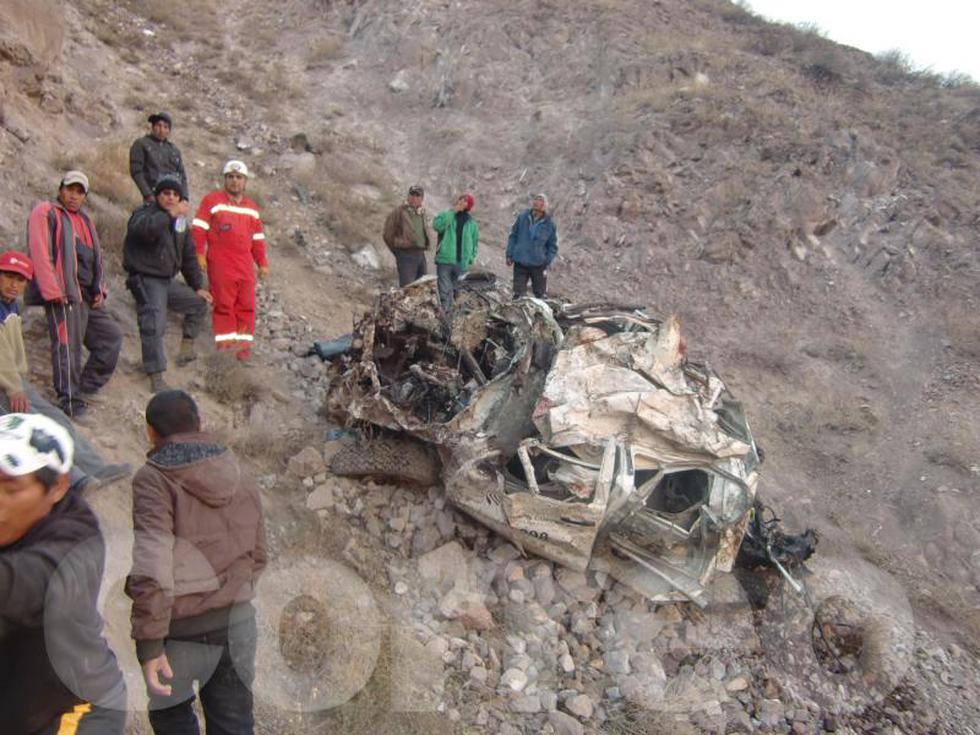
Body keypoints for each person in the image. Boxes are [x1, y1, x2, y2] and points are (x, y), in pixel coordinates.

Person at [126, 389, 266, 735]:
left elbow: (153, 565)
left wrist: (150, 643)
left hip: (180, 631)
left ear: (151, 433)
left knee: (172, 719)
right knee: (234, 725)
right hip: (238, 625)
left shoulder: (153, 479)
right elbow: (260, 554)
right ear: (200, 423)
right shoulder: (239, 472)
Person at [0, 412, 127, 734]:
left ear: (57, 487)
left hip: (72, 712)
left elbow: (28, 584)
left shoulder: (76, 541)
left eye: (11, 489)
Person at [0, 249, 130, 490]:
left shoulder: (10, 307)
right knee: (31, 430)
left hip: (14, 382)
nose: (13, 284)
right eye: (7, 276)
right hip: (7, 385)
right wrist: (14, 387)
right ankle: (74, 480)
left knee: (57, 419)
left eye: (19, 280)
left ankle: (94, 467)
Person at [25, 170, 123, 418]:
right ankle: (69, 400)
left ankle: (83, 389)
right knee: (68, 347)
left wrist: (99, 289)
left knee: (111, 338)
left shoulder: (86, 221)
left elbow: (96, 258)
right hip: (64, 294)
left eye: (80, 192)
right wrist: (52, 290)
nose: (74, 196)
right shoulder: (46, 211)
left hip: (87, 298)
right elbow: (39, 252)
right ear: (61, 189)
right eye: (70, 189)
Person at [124, 176, 212, 393]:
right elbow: (144, 231)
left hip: (166, 281)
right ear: (157, 196)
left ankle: (186, 349)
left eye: (175, 195)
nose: (171, 198)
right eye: (166, 194)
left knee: (199, 303)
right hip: (146, 278)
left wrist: (197, 285)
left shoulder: (180, 222)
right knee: (154, 323)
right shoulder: (145, 214)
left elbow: (189, 256)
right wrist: (170, 214)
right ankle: (155, 375)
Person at [191, 160, 268, 361]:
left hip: (244, 266)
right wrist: (199, 252)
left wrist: (262, 263)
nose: (235, 181)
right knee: (224, 306)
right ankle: (225, 351)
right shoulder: (212, 201)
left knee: (247, 306)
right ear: (225, 179)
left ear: (245, 182)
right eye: (231, 177)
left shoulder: (251, 208)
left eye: (239, 177)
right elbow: (199, 229)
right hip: (221, 264)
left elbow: (258, 239)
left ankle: (242, 352)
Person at [432, 193, 479, 315]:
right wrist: (453, 212)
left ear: (469, 206)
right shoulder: (446, 214)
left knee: (459, 292)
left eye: (465, 201)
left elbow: (474, 243)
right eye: (461, 199)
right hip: (445, 260)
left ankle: (457, 319)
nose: (462, 202)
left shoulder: (471, 223)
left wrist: (471, 258)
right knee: (444, 291)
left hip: (461, 263)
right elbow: (438, 226)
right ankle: (445, 316)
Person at [506, 192, 558, 299]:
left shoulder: (549, 224)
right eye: (536, 199)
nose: (537, 202)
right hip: (521, 261)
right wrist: (509, 254)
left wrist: (546, 260)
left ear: (545, 205)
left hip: (538, 264)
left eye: (540, 200)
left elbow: (552, 245)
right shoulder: (522, 217)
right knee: (518, 294)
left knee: (540, 295)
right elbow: (513, 236)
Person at [130, 111, 189, 202]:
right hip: (153, 195)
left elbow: (182, 175)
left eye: (165, 127)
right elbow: (137, 172)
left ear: (169, 130)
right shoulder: (142, 144)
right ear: (153, 127)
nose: (161, 129)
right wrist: (148, 194)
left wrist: (184, 198)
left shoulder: (174, 150)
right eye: (158, 125)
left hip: (173, 198)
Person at [382, 184, 432, 286]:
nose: (414, 198)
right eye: (412, 195)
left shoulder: (421, 213)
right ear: (408, 196)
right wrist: (399, 250)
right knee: (407, 289)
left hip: (420, 254)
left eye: (417, 196)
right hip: (406, 255)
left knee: (422, 288)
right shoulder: (399, 212)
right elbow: (387, 234)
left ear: (422, 199)